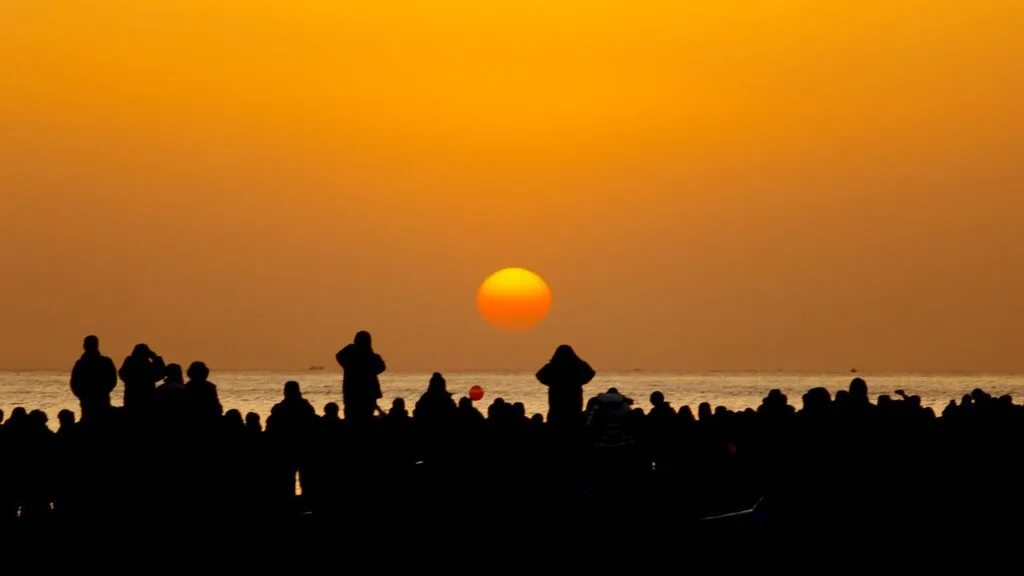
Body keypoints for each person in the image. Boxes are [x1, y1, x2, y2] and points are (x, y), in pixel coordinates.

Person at [535, 345, 595, 430]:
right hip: (573, 404)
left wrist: (551, 383)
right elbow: (590, 373)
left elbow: (540, 375)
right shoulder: (576, 366)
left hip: (557, 404)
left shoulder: (553, 366)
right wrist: (579, 361)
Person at [335, 331, 386, 425]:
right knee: (364, 419)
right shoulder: (369, 356)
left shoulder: (351, 355)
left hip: (352, 394)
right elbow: (381, 367)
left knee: (353, 418)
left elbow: (339, 356)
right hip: (360, 394)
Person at [70, 335, 117, 422]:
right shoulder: (81, 363)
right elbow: (74, 383)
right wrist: (82, 396)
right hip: (89, 400)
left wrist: (102, 391)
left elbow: (112, 380)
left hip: (100, 399)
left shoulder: (104, 362)